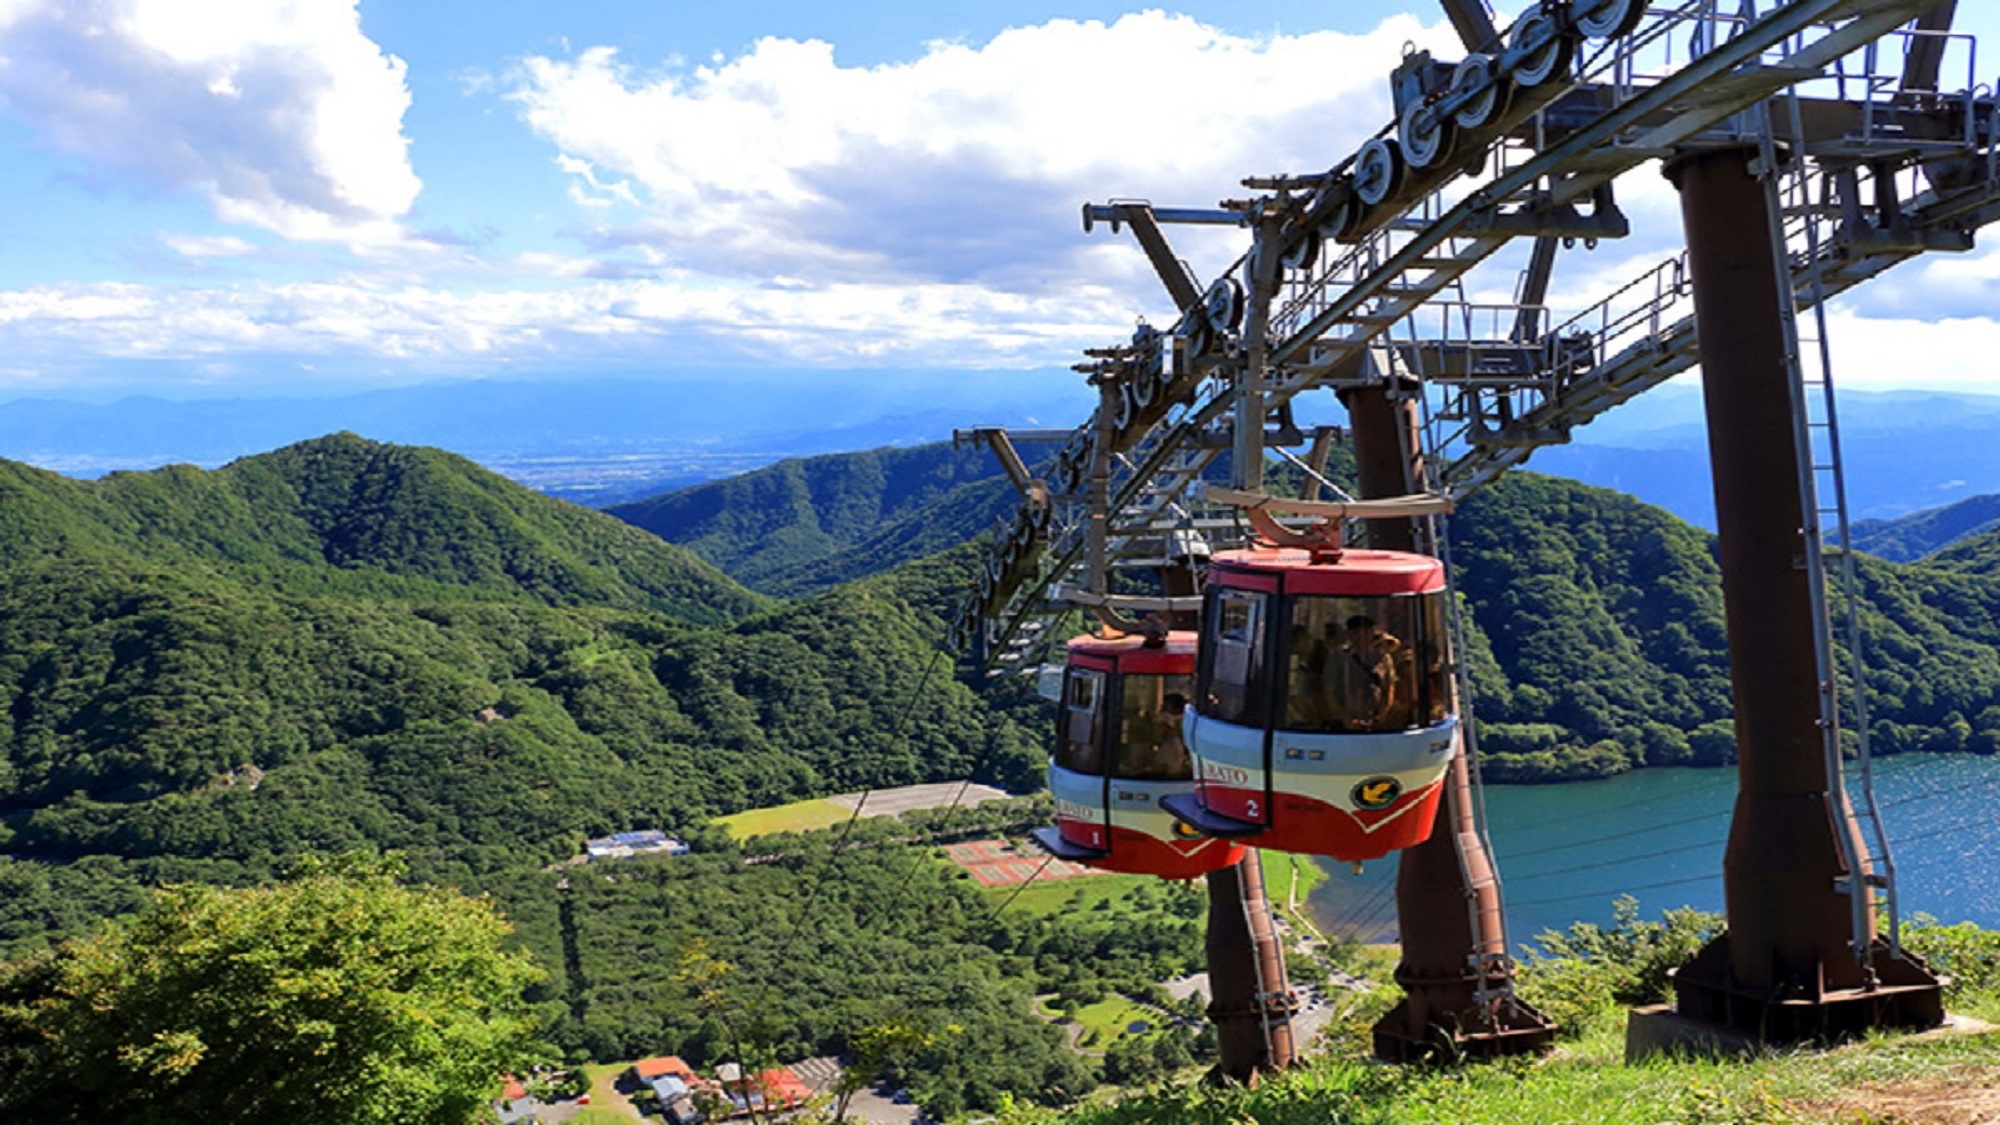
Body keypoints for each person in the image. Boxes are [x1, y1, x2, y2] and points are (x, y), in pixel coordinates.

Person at [1341, 614, 1402, 728]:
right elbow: (1330, 691)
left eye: (1366, 632)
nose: (1362, 636)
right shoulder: (1341, 659)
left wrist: (1382, 715)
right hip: (1347, 721)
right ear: (1350, 634)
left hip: (1375, 720)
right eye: (1357, 633)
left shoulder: (1384, 658)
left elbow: (1389, 688)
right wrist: (1344, 719)